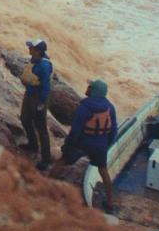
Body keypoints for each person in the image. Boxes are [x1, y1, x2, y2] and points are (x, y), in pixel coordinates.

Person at [48, 79, 118, 213]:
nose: (87, 88)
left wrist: (68, 147)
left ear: (94, 90)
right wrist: (106, 145)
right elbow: (113, 130)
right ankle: (110, 203)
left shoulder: (84, 107)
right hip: (100, 145)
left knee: (62, 161)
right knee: (103, 171)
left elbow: (76, 131)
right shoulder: (110, 107)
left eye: (90, 87)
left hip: (83, 142)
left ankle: (46, 184)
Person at [19, 39, 54, 167]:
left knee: (41, 128)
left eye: (31, 48)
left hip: (38, 98)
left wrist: (42, 103)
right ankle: (33, 145)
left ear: (38, 51)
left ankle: (46, 159)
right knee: (25, 119)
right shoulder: (34, 59)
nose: (29, 49)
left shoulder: (44, 66)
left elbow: (46, 87)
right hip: (29, 94)